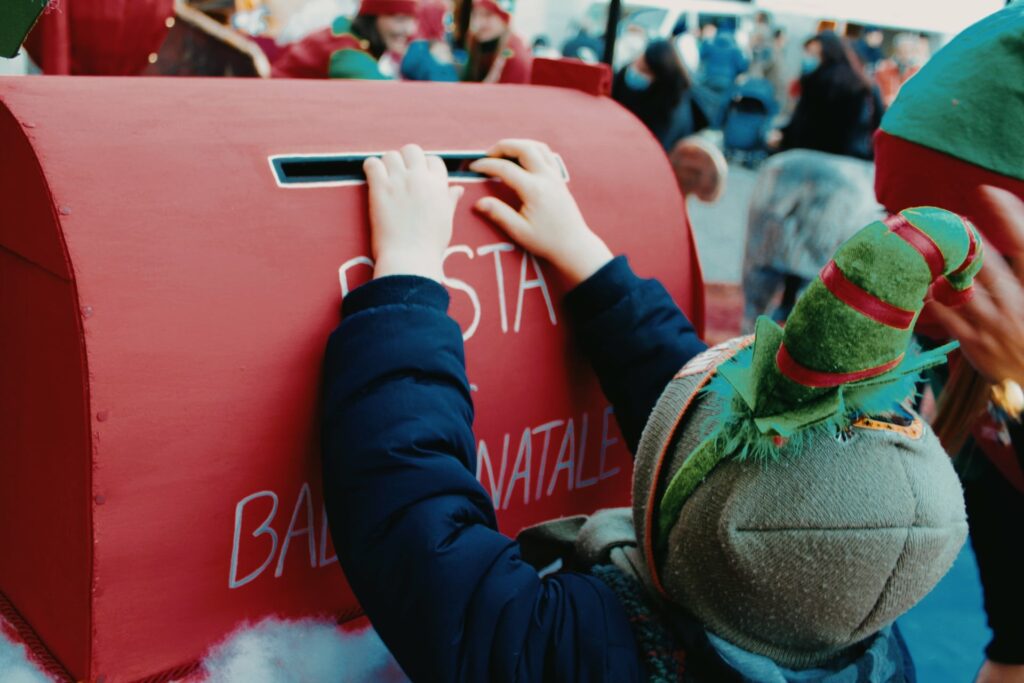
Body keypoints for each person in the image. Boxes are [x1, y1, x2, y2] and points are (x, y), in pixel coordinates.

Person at [320, 139, 973, 681]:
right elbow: (707, 437)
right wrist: (587, 260)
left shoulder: (582, 651)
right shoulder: (849, 602)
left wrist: (406, 277)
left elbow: (416, 531)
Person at [778, 31, 883, 160]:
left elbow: (805, 122)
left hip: (814, 156)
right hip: (851, 158)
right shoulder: (862, 82)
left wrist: (784, 139)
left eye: (813, 54)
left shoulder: (820, 80)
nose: (809, 58)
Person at [271, 0, 419, 79]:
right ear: (372, 18)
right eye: (400, 19)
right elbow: (393, 97)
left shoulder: (344, 29)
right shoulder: (347, 54)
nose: (410, 30)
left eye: (411, 20)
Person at [612, 40, 710, 152]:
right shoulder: (621, 80)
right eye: (637, 64)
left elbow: (655, 149)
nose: (635, 71)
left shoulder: (672, 110)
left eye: (644, 70)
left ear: (660, 77)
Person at [463, 0, 531, 84]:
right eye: (476, 14)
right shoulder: (477, 42)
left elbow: (512, 94)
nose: (479, 23)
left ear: (504, 19)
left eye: (488, 15)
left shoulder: (513, 53)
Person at [874, 33, 922, 106]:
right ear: (896, 50)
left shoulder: (917, 71)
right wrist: (886, 98)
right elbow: (876, 91)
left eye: (909, 51)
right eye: (902, 51)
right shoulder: (884, 68)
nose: (905, 55)